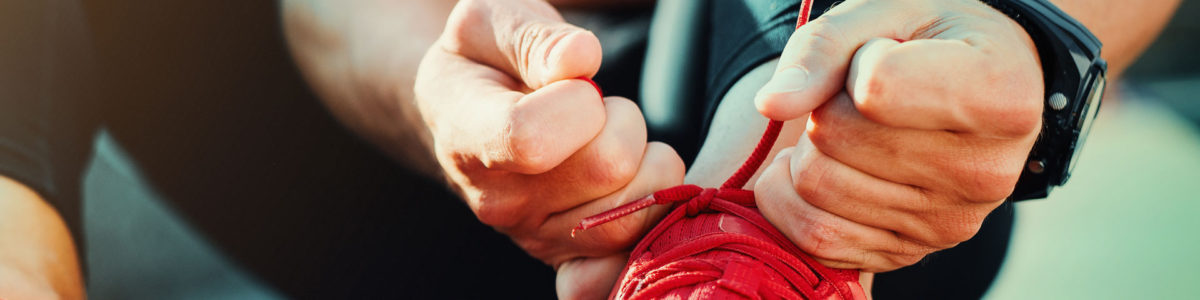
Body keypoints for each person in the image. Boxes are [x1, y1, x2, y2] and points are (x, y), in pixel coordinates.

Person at [0, 0, 1178, 299]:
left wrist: (1033, 41)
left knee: (859, 112)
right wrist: (438, 94)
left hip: (854, 181)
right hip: (364, 154)